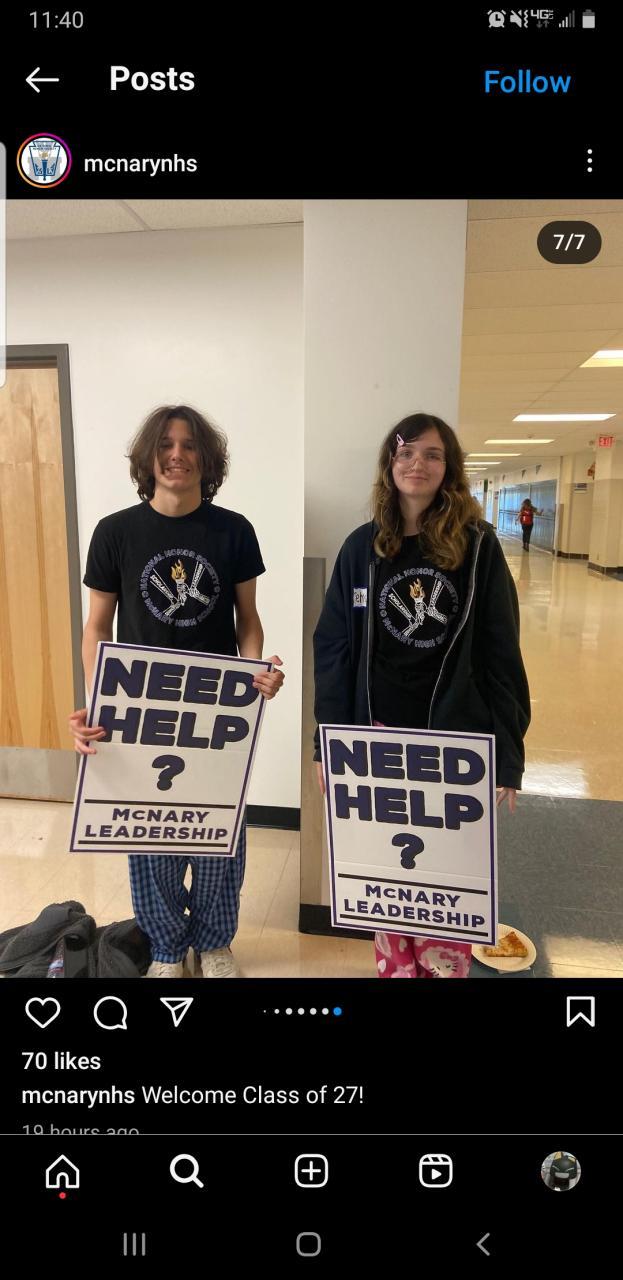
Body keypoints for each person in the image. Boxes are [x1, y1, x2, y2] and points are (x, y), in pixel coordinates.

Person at [69, 405, 285, 978]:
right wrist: (100, 699)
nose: (177, 455)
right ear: (148, 457)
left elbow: (248, 620)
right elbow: (97, 627)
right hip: (144, 711)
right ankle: (165, 946)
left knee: (219, 835)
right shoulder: (114, 532)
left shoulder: (233, 531)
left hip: (215, 712)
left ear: (206, 460)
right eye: (166, 444)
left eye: (190, 446)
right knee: (152, 838)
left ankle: (213, 943)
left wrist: (255, 670)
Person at [313, 412, 530, 979]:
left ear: (448, 468)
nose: (417, 464)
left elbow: (501, 651)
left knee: (444, 888)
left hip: (453, 741)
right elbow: (332, 649)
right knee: (387, 881)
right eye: (405, 452)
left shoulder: (478, 548)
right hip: (377, 739)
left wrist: (508, 752)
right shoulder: (362, 547)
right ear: (390, 464)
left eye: (432, 454)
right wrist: (325, 744)